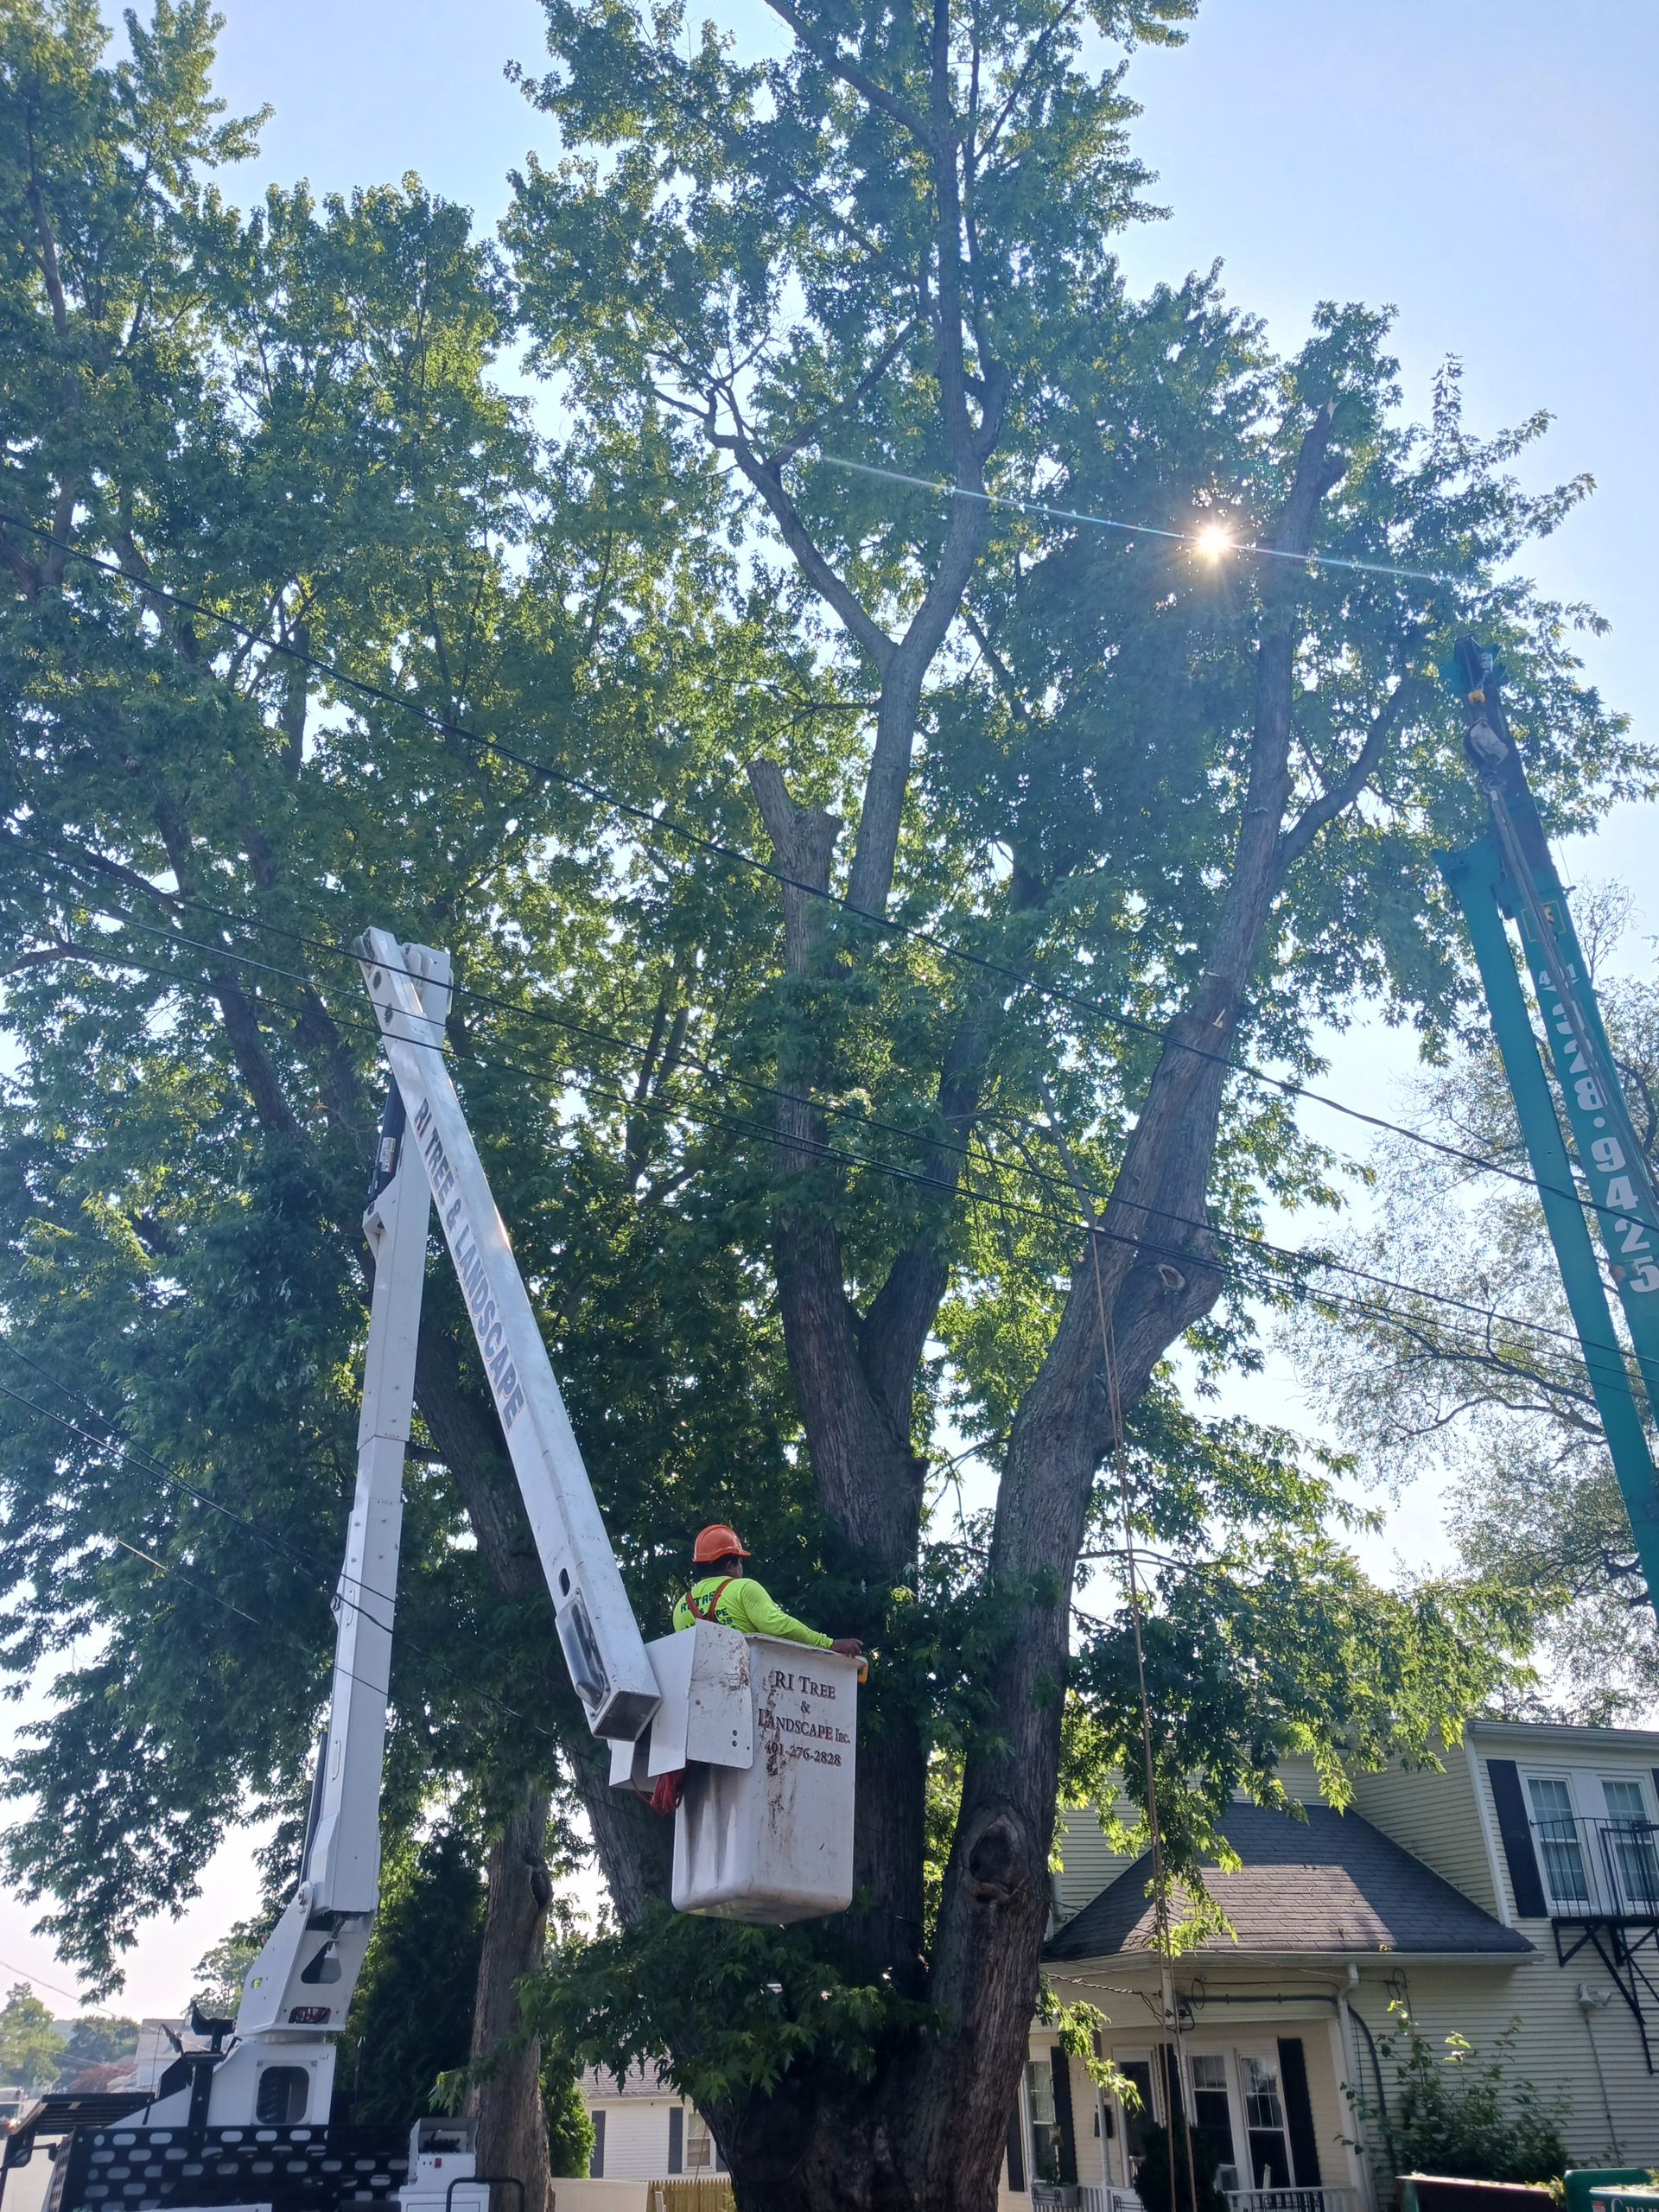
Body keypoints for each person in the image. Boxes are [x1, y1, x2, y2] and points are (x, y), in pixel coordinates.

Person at [673, 1523, 862, 1657]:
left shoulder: (681, 1606)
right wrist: (828, 1644)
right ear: (731, 1565)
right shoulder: (742, 1588)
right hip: (748, 1687)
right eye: (740, 1563)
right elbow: (778, 1626)